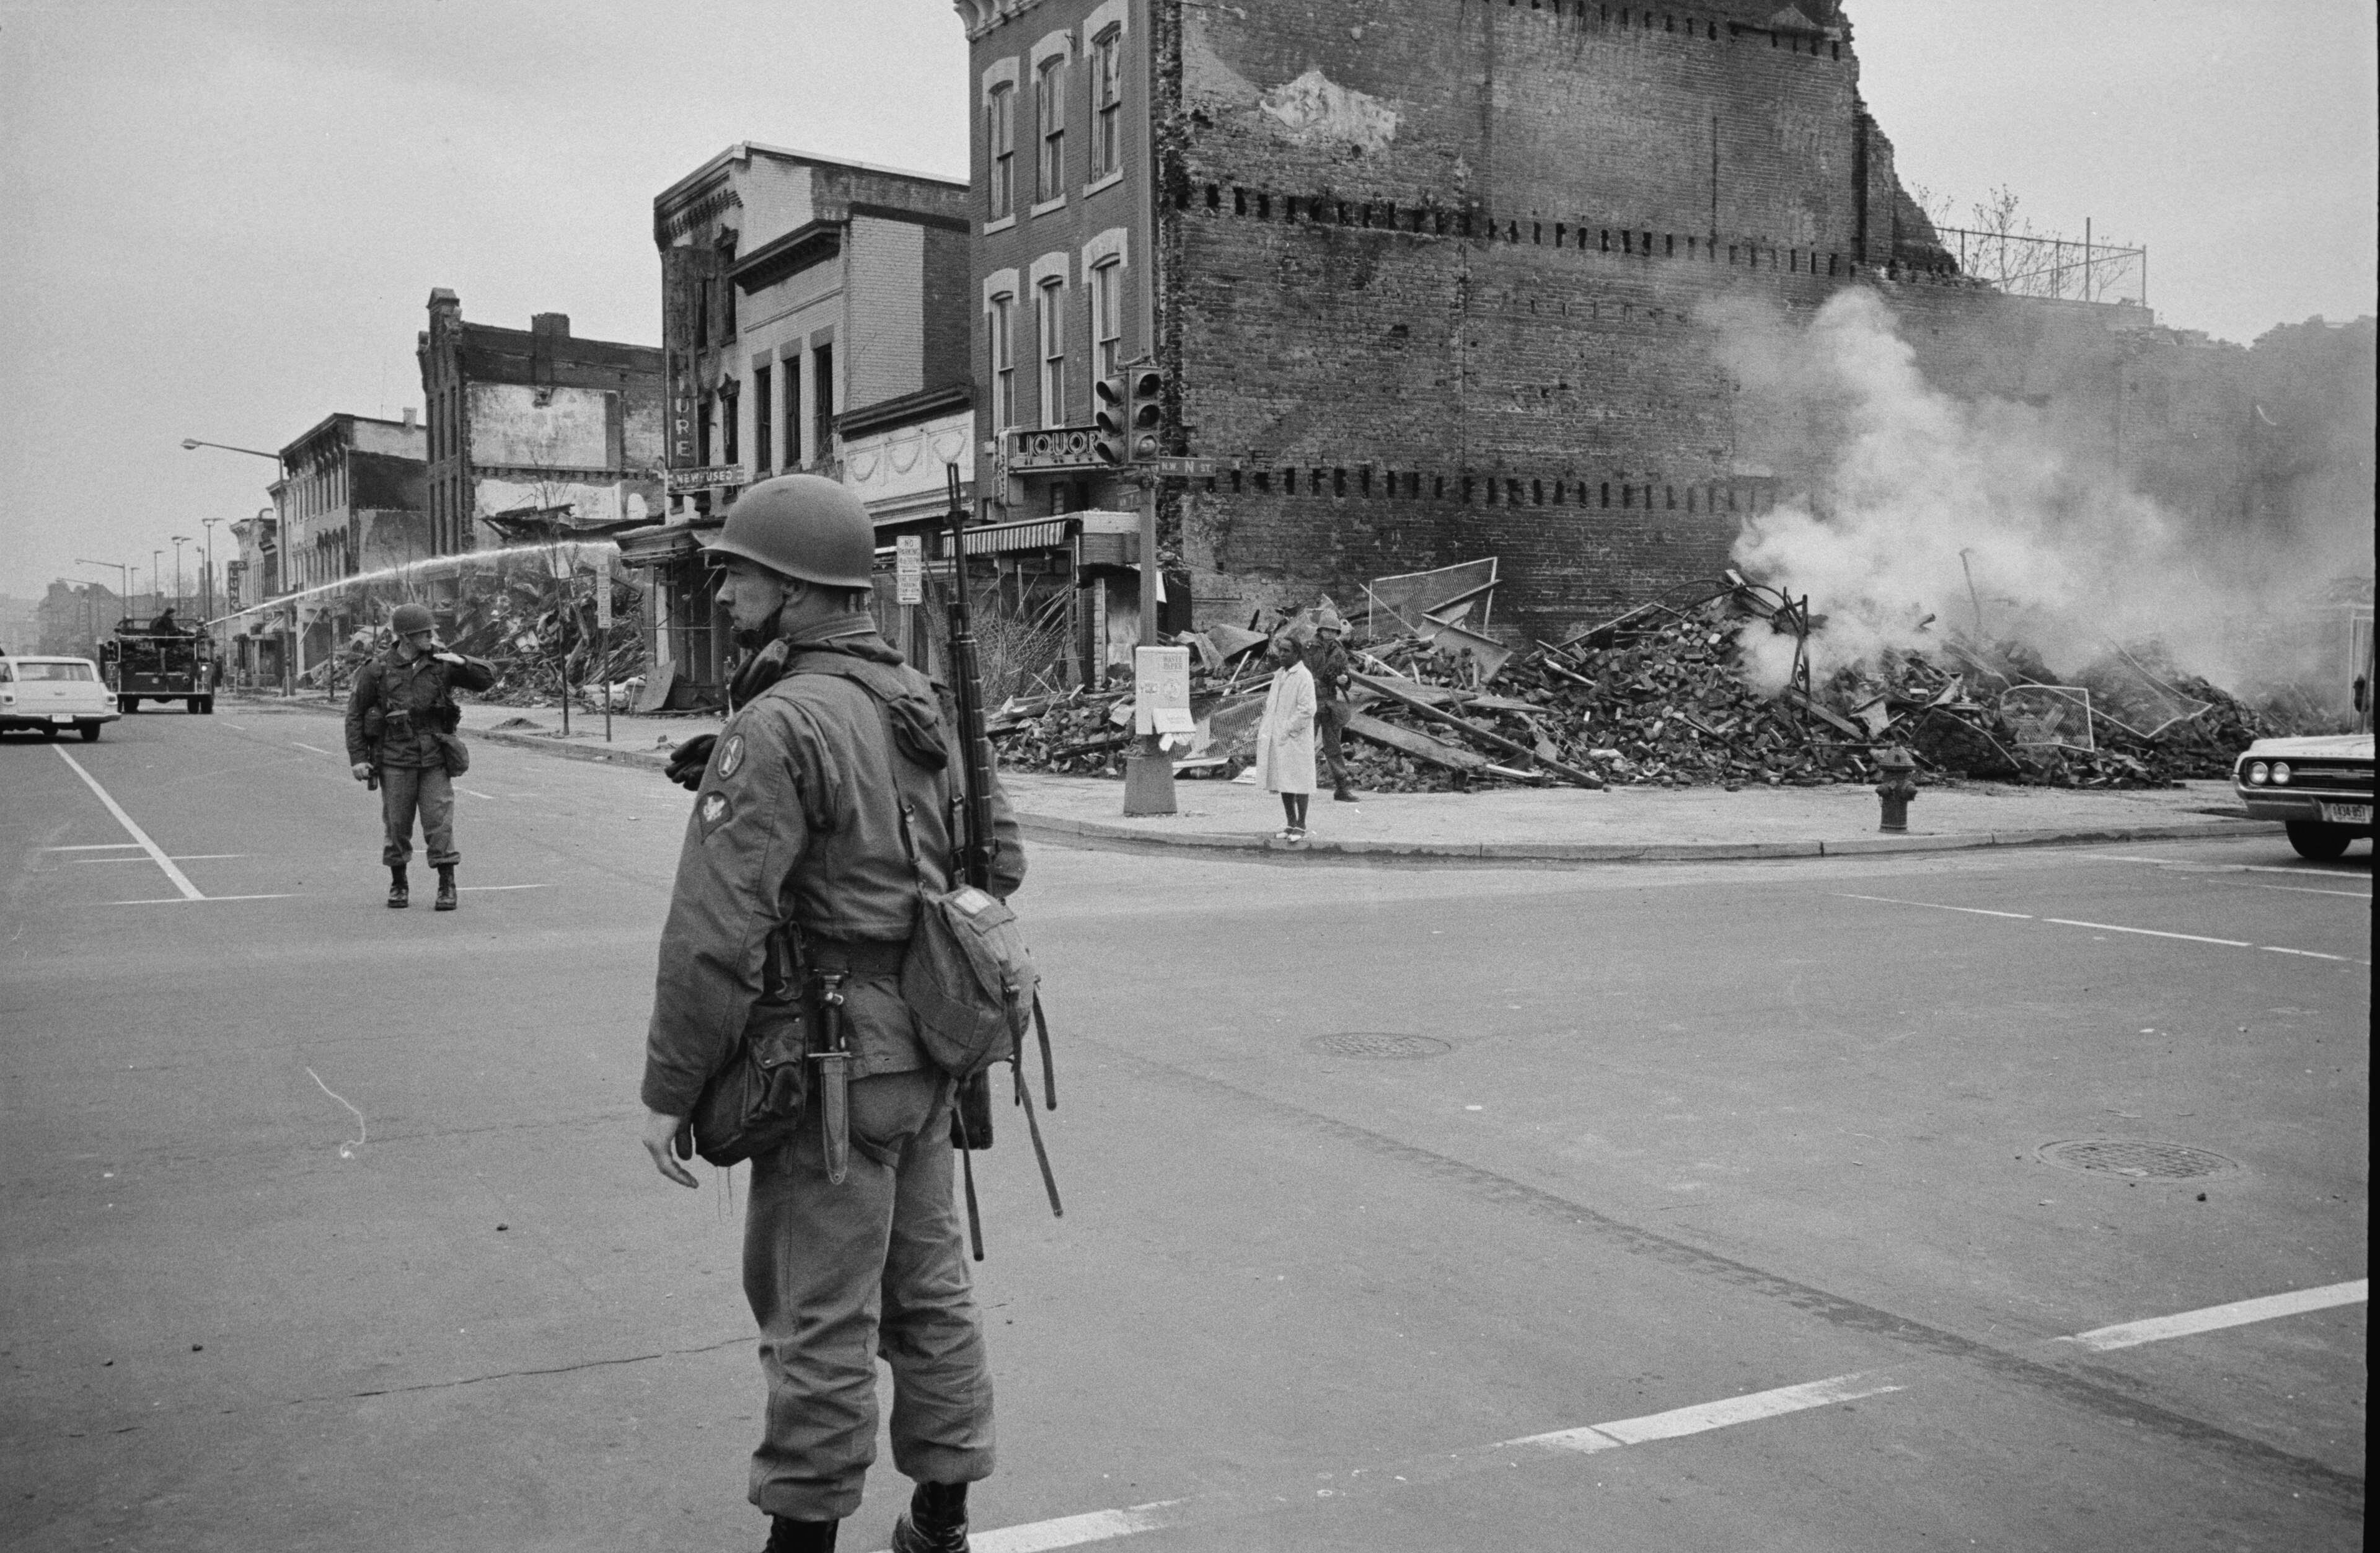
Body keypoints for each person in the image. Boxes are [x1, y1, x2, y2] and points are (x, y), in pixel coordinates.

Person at [638, 473, 1026, 1553]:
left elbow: (713, 935)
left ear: (799, 588)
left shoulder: (778, 724)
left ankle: (800, 1541)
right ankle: (940, 1519)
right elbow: (1005, 863)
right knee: (931, 1292)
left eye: (739, 571)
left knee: (817, 1316)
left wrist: (670, 1092)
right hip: (930, 1053)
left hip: (832, 1062)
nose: (722, 591)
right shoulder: (918, 702)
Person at [343, 602, 494, 911]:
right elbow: (356, 714)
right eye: (426, 632)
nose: (432, 637)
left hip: (434, 757)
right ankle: (399, 883)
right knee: (397, 824)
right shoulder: (378, 668)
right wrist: (359, 758)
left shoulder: (442, 663)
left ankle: (446, 885)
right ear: (407, 637)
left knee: (439, 823)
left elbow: (488, 678)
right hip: (395, 757)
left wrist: (463, 661)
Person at [1254, 632, 1317, 841]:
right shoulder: (1281, 674)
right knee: (1284, 781)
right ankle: (1290, 823)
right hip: (1279, 736)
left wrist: (1288, 729)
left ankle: (1302, 825)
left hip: (1295, 737)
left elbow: (1307, 709)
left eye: (1286, 651)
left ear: (1297, 654)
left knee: (1300, 781)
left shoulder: (1303, 676)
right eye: (1280, 650)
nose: (1281, 655)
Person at [1306, 606, 1359, 802]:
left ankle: (1342, 788)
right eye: (1327, 630)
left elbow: (1344, 675)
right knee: (1304, 745)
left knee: (1334, 748)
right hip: (1309, 701)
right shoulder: (1308, 648)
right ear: (1320, 630)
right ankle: (1297, 788)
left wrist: (1345, 681)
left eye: (1334, 631)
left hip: (1329, 701)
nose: (1330, 633)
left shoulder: (1339, 650)